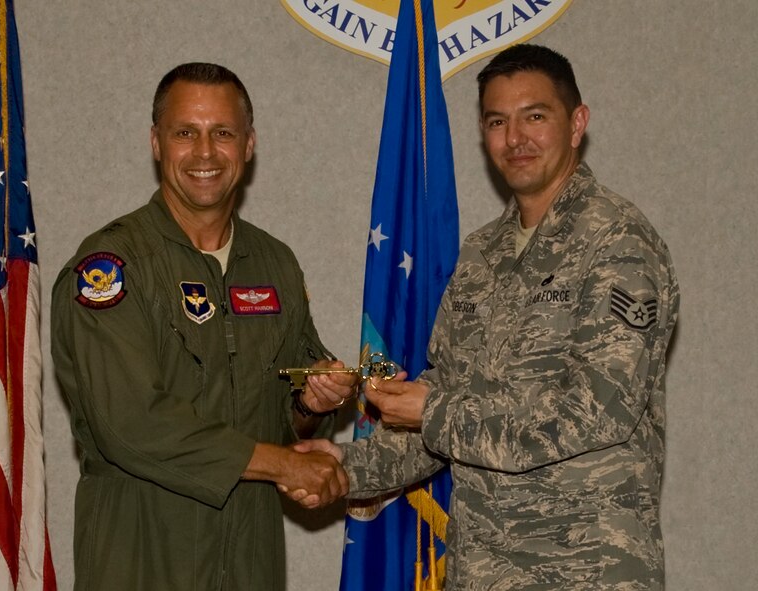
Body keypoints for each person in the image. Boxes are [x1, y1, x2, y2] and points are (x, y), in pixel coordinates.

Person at [290, 44, 680, 589]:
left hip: (587, 571)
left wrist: (434, 411)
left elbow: (597, 413)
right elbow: (440, 405)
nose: (515, 138)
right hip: (482, 572)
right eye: (497, 121)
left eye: (535, 116)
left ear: (577, 124)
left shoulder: (618, 242)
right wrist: (342, 465)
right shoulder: (481, 254)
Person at [51, 62, 356, 591]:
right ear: (156, 142)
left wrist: (314, 402)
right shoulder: (111, 267)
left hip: (249, 562)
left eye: (223, 133)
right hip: (140, 556)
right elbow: (130, 426)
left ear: (249, 144)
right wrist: (284, 467)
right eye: (185, 133)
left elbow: (290, 420)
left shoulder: (274, 263)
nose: (205, 153)